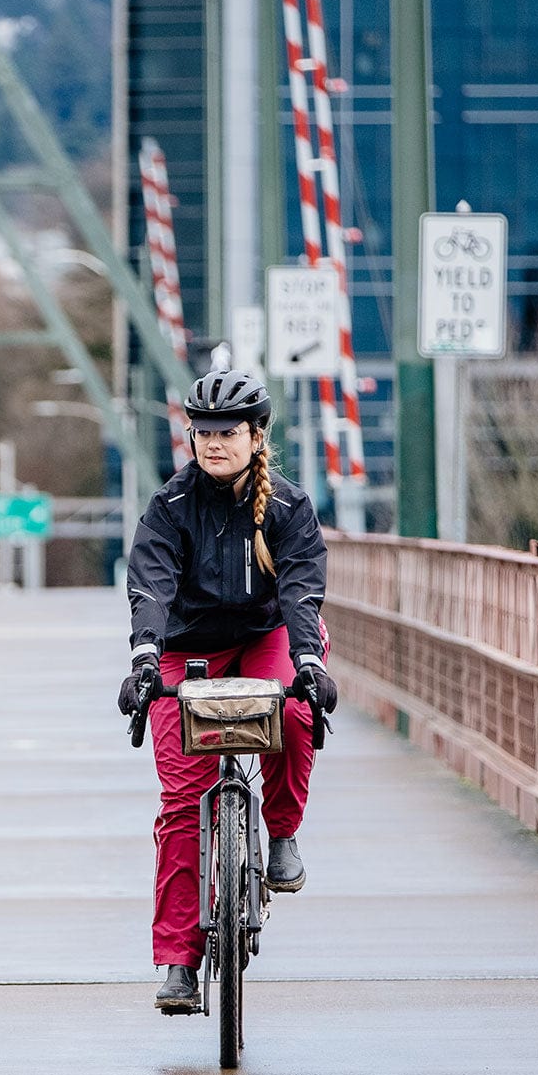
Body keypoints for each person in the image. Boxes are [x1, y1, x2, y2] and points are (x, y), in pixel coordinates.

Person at [118, 368, 338, 1013]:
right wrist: (143, 661)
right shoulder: (170, 508)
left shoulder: (290, 508)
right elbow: (150, 589)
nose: (214, 443)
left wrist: (308, 662)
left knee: (294, 712)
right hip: (189, 649)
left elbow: (301, 590)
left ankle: (283, 832)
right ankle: (179, 963)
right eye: (203, 432)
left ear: (256, 435)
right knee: (183, 803)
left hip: (265, 635)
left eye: (228, 432)